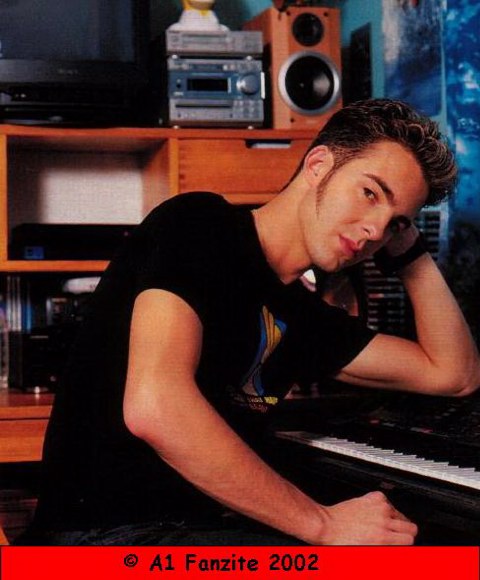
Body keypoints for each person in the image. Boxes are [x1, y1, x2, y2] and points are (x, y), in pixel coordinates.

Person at [20, 99, 480, 546]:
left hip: (191, 530)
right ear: (318, 164)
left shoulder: (300, 314)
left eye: (395, 223)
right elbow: (156, 407)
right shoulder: (200, 225)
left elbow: (454, 374)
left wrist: (411, 254)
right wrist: (322, 524)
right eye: (370, 193)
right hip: (101, 539)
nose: (375, 231)